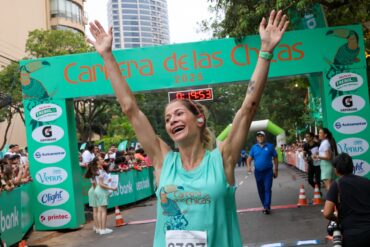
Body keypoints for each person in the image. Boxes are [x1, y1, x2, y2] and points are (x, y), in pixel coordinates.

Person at [88, 9, 289, 246]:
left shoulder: (221, 159)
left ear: (199, 119)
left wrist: (265, 51)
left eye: (179, 113)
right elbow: (130, 109)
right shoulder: (163, 161)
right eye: (167, 118)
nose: (172, 120)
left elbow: (248, 108)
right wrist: (107, 56)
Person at [323, 153, 370, 247]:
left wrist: (337, 219)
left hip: (352, 234)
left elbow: (327, 213)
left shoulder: (337, 185)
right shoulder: (366, 182)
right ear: (352, 167)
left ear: (336, 170)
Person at [247, 131, 278, 214]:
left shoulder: (270, 146)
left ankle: (267, 206)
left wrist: (276, 170)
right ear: (257, 138)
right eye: (258, 136)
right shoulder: (254, 147)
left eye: (262, 136)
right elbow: (249, 158)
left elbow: (275, 158)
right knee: (261, 190)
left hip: (268, 172)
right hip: (258, 172)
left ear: (264, 137)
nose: (260, 138)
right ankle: (265, 205)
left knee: (267, 188)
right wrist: (249, 167)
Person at [93, 156, 117, 235]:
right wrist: (112, 188)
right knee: (103, 211)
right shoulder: (99, 170)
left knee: (100, 210)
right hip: (101, 190)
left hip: (99, 190)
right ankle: (103, 229)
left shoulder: (100, 169)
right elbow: (101, 184)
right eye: (101, 159)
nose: (102, 160)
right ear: (97, 162)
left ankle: (101, 228)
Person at [84, 159, 99, 234]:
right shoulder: (93, 174)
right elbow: (94, 184)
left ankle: (96, 226)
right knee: (96, 210)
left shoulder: (93, 173)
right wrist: (97, 192)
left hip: (93, 190)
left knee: (95, 210)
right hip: (94, 191)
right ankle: (97, 227)